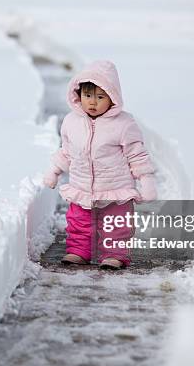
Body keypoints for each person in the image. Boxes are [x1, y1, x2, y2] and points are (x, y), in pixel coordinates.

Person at [43, 60, 157, 269]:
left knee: (116, 225)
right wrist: (54, 171)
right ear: (79, 95)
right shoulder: (71, 121)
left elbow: (137, 155)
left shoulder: (124, 124)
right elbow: (67, 151)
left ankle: (115, 254)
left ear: (112, 97)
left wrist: (146, 180)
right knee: (79, 221)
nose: (92, 103)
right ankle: (78, 251)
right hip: (82, 187)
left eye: (100, 97)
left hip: (116, 188)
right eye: (88, 96)